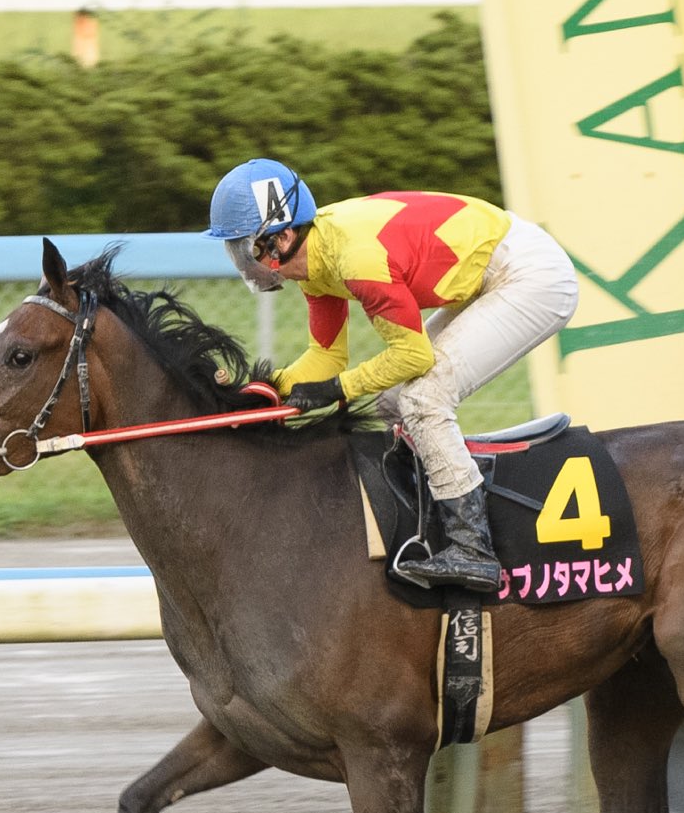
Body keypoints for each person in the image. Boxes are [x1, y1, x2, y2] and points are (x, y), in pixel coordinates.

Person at [204, 159, 580, 593]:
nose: (242, 265)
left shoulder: (355, 259)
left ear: (283, 237)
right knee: (389, 402)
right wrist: (267, 390)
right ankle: (425, 514)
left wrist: (337, 390)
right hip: (489, 270)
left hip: (531, 276)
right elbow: (325, 358)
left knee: (422, 398)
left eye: (243, 250)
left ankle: (473, 549)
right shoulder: (314, 259)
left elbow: (412, 356)